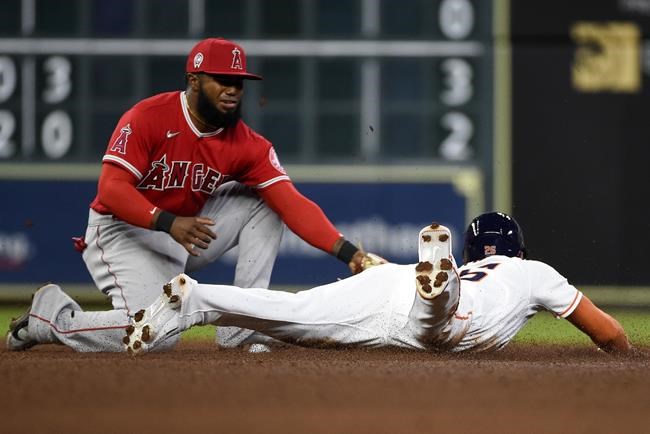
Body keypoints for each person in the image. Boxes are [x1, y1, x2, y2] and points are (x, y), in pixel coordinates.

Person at [5, 37, 382, 353]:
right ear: (195, 80)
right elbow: (111, 189)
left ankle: (242, 324)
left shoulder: (246, 143)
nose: (233, 89)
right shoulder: (148, 117)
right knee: (154, 338)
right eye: (222, 79)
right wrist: (167, 222)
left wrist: (352, 254)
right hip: (123, 231)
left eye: (239, 81)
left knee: (264, 202)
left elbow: (291, 202)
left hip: (185, 231)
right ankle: (51, 317)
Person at [118, 212, 632, 354]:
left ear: (476, 253)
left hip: (393, 279)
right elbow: (606, 332)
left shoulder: (507, 267)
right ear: (520, 249)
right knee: (444, 322)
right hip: (445, 308)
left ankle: (196, 298)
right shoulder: (532, 271)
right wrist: (627, 351)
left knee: (290, 312)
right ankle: (441, 282)